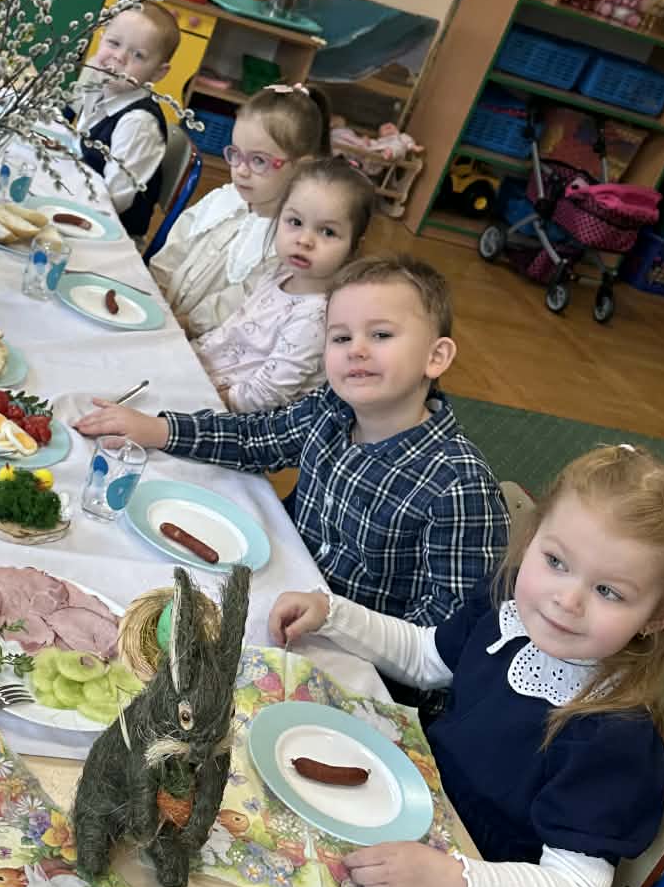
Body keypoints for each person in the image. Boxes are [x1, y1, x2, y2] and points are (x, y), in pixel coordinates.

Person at [270, 443, 664, 887]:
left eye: (608, 591)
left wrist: (451, 883)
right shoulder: (511, 610)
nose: (567, 599)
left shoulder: (613, 737)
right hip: (416, 834)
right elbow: (426, 656)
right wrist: (333, 616)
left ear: (658, 618)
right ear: (531, 539)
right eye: (556, 562)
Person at [78, 255, 507, 623]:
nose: (356, 349)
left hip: (347, 647)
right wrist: (161, 429)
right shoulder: (332, 408)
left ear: (436, 357)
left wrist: (342, 625)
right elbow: (256, 438)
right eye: (341, 337)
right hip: (272, 585)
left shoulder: (458, 486)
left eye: (380, 335)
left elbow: (449, 632)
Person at [194, 157, 376, 412]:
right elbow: (231, 332)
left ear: (354, 246)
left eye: (327, 232)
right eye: (295, 222)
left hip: (224, 413)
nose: (304, 240)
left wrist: (194, 392)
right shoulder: (279, 272)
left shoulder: (315, 318)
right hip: (201, 373)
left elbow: (263, 396)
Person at [150, 82, 329, 335]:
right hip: (161, 312)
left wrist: (187, 325)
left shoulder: (286, 241)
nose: (241, 170)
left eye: (259, 160)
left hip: (198, 338)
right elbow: (177, 245)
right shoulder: (224, 198)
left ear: (301, 168)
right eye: (236, 153)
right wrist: (154, 288)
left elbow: (240, 303)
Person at [70, 2, 179, 240]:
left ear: (158, 72)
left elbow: (114, 200)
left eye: (138, 55)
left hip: (112, 235)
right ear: (101, 39)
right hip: (84, 205)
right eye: (113, 43)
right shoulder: (99, 86)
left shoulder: (138, 123)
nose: (119, 57)